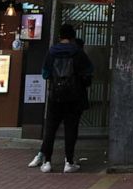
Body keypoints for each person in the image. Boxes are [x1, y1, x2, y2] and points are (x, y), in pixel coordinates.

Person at [27, 24, 94, 173]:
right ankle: (69, 162)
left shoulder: (52, 51)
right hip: (74, 97)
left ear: (59, 36)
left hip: (55, 96)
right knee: (71, 129)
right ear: (73, 37)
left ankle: (47, 162)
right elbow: (89, 71)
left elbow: (45, 73)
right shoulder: (78, 52)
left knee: (50, 128)